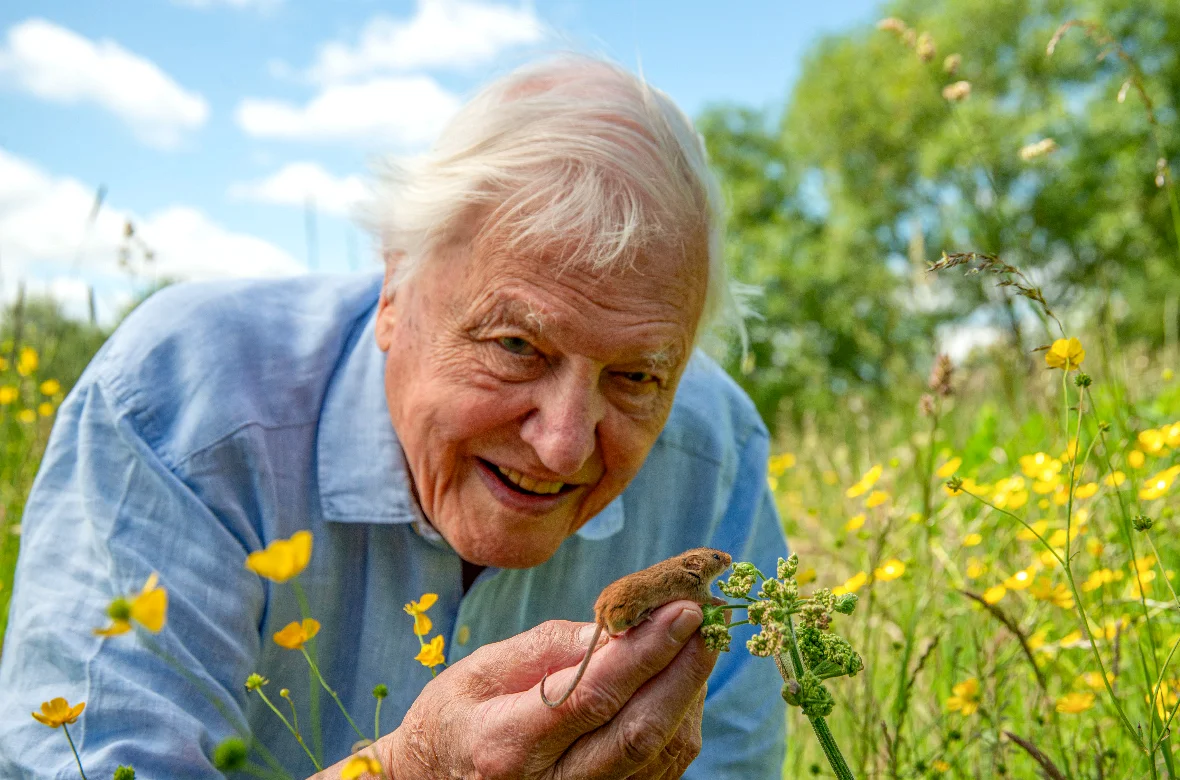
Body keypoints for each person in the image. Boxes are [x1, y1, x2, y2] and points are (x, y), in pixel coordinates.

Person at [0, 56, 788, 778]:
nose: (561, 446)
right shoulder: (180, 404)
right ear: (393, 288)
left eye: (637, 377)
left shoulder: (716, 458)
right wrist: (413, 769)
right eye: (517, 345)